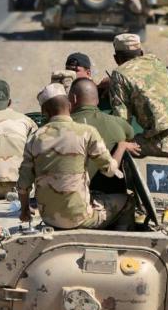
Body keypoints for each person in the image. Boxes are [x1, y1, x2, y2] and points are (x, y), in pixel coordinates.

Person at [17, 82, 127, 230]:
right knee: (127, 201)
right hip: (80, 219)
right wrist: (122, 146)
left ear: (44, 111)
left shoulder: (34, 138)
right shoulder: (87, 132)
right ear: (69, 105)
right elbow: (109, 171)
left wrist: (25, 211)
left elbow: (23, 185)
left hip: (49, 219)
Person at [108, 33, 168, 157]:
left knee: (118, 149)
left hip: (165, 144)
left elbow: (122, 122)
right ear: (141, 53)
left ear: (116, 58)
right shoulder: (156, 62)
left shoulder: (119, 74)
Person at [70, 78, 141, 229]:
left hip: (62, 205)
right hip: (97, 205)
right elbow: (131, 133)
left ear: (73, 99)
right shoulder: (117, 123)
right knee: (129, 201)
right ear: (96, 100)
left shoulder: (58, 127)